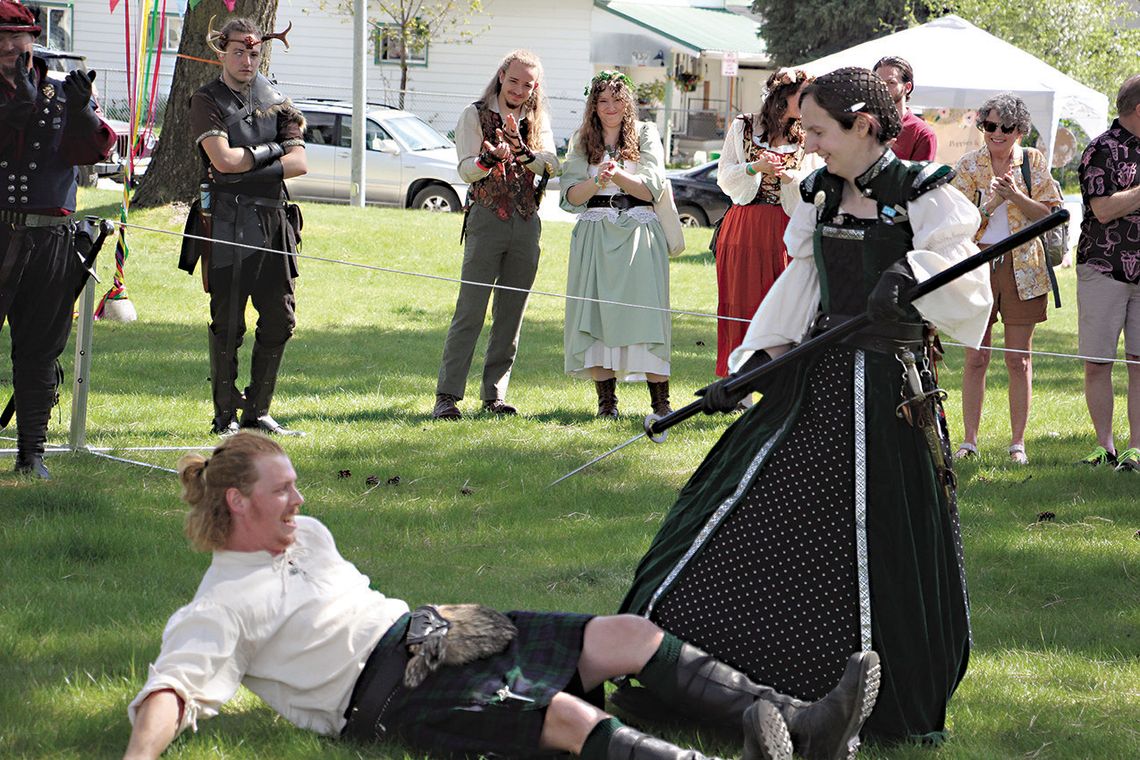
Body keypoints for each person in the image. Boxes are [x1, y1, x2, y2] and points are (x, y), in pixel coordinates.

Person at [620, 67, 993, 745]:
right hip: (812, 384)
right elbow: (802, 282)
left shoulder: (923, 193)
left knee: (867, 540)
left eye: (819, 130)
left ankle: (858, 700)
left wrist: (911, 275)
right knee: (734, 516)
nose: (809, 144)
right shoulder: (818, 192)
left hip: (888, 396)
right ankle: (705, 680)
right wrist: (756, 363)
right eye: (804, 129)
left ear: (866, 128)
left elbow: (971, 290)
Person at [122, 431, 882, 760]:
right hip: (388, 696)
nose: (298, 501)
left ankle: (805, 725)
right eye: (282, 492)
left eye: (295, 487)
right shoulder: (219, 606)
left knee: (624, 633)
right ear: (235, 506)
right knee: (561, 715)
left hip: (439, 630)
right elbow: (173, 689)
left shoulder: (307, 535)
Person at [176, 17, 307, 438]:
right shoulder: (206, 99)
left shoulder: (280, 102)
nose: (247, 60)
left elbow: (299, 162)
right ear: (222, 51)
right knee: (228, 323)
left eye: (253, 53)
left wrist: (247, 163)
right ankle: (224, 416)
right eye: (238, 51)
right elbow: (221, 161)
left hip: (272, 222)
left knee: (280, 319)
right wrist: (271, 156)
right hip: (227, 222)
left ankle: (257, 410)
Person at [0, 0, 115, 479]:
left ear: (32, 38)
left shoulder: (59, 92)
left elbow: (93, 150)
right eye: (0, 38)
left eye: (16, 37)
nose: (7, 47)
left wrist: (83, 110)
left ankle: (32, 455)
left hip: (49, 242)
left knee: (39, 349)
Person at [432, 50, 558, 420]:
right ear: (502, 74)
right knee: (470, 310)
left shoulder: (538, 118)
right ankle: (447, 396)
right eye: (514, 80)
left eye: (527, 84)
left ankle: (495, 395)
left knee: (511, 314)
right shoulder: (474, 114)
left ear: (535, 88)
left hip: (526, 219)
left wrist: (524, 153)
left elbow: (553, 164)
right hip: (486, 218)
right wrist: (488, 160)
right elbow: (465, 169)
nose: (519, 89)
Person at [950, 93, 1061, 465]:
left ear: (1019, 131)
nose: (996, 134)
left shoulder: (1033, 162)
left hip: (1023, 267)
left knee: (1019, 360)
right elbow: (956, 226)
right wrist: (991, 206)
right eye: (989, 126)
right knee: (976, 357)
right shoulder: (968, 165)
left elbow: (1050, 214)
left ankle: (1017, 444)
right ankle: (969, 441)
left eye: (1005, 127)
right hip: (977, 263)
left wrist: (1015, 196)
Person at [561, 71, 673, 418]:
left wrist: (619, 175)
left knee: (646, 313)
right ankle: (606, 405)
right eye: (602, 100)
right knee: (596, 313)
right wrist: (598, 180)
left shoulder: (645, 134)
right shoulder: (582, 139)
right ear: (593, 106)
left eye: (616, 99)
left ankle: (661, 404)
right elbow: (570, 197)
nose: (610, 107)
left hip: (638, 231)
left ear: (628, 102)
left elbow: (651, 188)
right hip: (595, 232)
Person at [714, 67, 821, 389]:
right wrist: (754, 167)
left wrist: (789, 177)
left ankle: (781, 384)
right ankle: (737, 386)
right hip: (744, 226)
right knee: (739, 302)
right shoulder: (744, 126)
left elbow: (817, 183)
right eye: (802, 97)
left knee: (782, 307)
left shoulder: (808, 132)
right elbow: (725, 175)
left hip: (786, 229)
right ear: (781, 97)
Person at [1075, 74, 1140, 471]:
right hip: (1104, 268)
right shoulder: (1102, 149)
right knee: (1099, 362)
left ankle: (1136, 450)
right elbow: (1102, 209)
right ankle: (1105, 446)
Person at [873, 56, 936, 161]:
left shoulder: (922, 133)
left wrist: (883, 156)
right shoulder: (863, 124)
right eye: (878, 82)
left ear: (907, 87)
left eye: (891, 82)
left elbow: (918, 177)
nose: (882, 88)